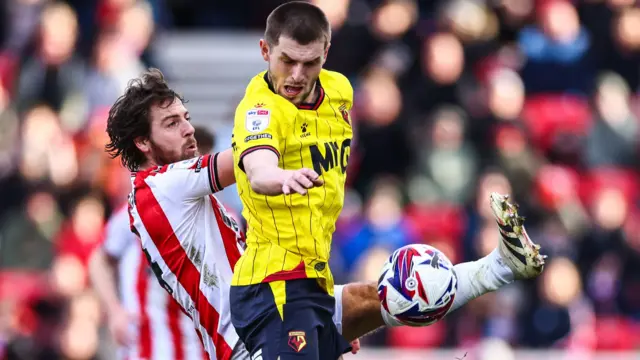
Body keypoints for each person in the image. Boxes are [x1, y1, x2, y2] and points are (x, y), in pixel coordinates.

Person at [104, 68, 545, 360]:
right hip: (252, 339)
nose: (186, 129)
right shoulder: (157, 188)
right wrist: (281, 103)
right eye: (171, 124)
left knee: (394, 294)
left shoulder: (183, 197)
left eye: (185, 117)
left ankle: (499, 268)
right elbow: (245, 155)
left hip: (277, 307)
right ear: (142, 144)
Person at [228, 3, 355, 359]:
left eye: (310, 62)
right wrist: (281, 177)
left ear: (326, 54)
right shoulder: (259, 110)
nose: (297, 74)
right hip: (274, 283)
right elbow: (258, 170)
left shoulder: (340, 91)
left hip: (314, 279)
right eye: (287, 60)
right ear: (265, 50)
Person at [89, 126, 217, 360]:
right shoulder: (139, 207)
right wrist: (114, 311)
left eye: (203, 160)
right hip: (144, 349)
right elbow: (99, 259)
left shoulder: (223, 218)